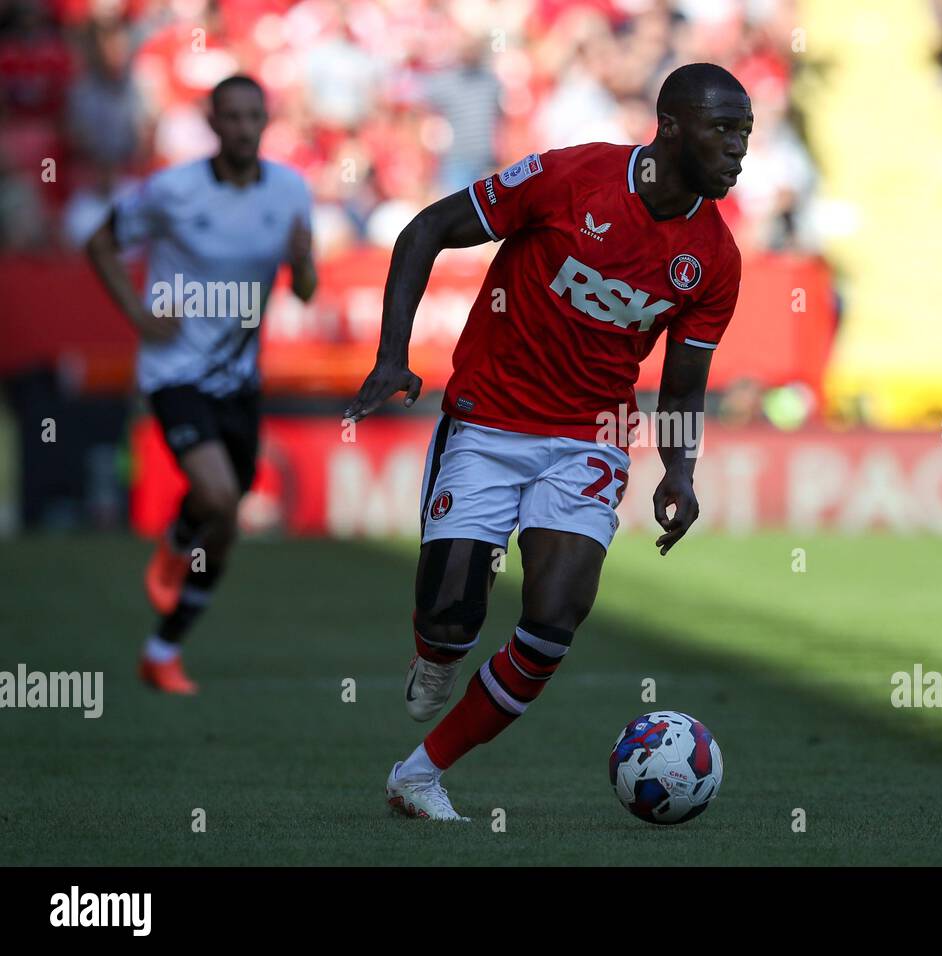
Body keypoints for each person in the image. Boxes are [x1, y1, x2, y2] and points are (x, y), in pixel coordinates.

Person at [344, 62, 750, 821]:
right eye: (723, 130)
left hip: (589, 438)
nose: (737, 149)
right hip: (489, 419)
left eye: (746, 135)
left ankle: (421, 774)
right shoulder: (573, 178)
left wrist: (680, 471)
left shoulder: (716, 259)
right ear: (669, 127)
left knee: (555, 615)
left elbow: (686, 383)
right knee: (451, 617)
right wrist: (392, 356)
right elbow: (426, 228)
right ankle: (436, 653)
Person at [85, 74, 317, 694]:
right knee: (217, 494)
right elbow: (101, 243)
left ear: (266, 122)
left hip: (240, 378)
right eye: (231, 117)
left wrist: (305, 262)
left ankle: (162, 649)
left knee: (226, 522)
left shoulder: (291, 190)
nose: (243, 128)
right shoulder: (173, 191)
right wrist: (138, 316)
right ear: (212, 124)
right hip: (175, 371)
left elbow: (304, 288)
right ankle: (177, 538)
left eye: (253, 117)